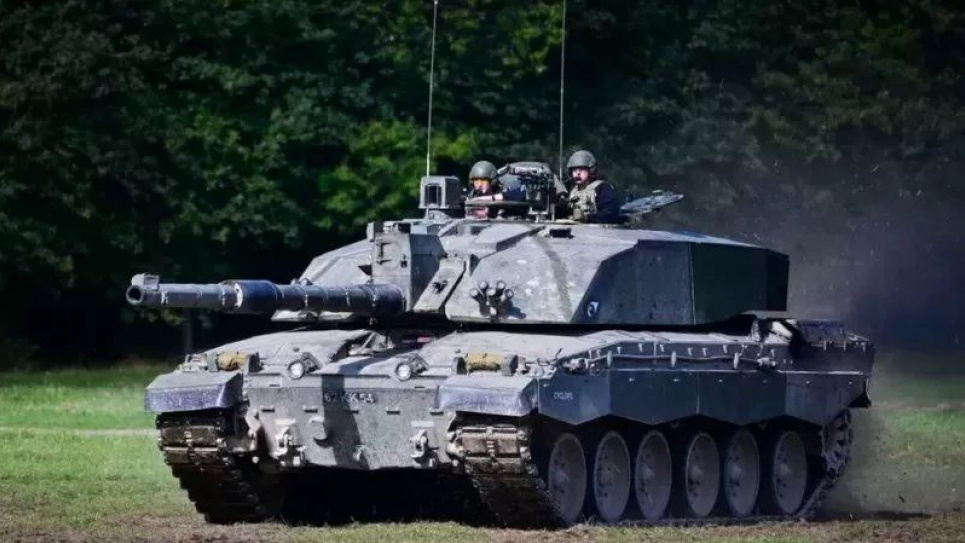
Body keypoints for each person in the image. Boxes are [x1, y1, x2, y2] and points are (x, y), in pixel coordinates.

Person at [564, 150, 621, 223]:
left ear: (591, 170)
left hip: (597, 232)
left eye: (582, 169)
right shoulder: (571, 190)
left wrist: (587, 218)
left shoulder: (602, 188)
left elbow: (610, 213)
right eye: (574, 169)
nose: (577, 173)